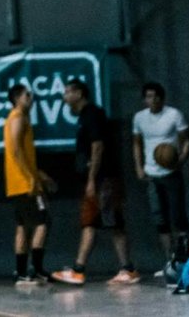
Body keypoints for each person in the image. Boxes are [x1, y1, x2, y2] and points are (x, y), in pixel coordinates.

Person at [53, 78, 138, 285]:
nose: (64, 97)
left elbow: (98, 146)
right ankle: (78, 270)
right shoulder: (85, 116)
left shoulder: (92, 114)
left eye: (67, 92)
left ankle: (128, 269)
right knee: (89, 222)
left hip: (104, 179)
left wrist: (92, 179)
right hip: (96, 179)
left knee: (114, 222)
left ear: (79, 94)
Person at [132, 81, 189, 279]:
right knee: (160, 219)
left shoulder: (174, 115)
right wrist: (139, 166)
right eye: (149, 96)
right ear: (144, 99)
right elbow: (136, 143)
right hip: (152, 173)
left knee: (178, 217)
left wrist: (180, 160)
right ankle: (170, 261)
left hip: (171, 173)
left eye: (156, 96)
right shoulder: (139, 118)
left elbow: (187, 140)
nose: (153, 100)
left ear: (162, 97)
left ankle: (185, 261)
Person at [3, 83, 54, 285]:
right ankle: (36, 269)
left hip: (19, 183)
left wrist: (39, 174)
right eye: (27, 95)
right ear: (17, 98)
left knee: (22, 226)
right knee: (43, 221)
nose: (31, 98)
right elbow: (16, 150)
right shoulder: (18, 117)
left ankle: (21, 272)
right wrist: (31, 178)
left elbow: (22, 153)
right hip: (25, 184)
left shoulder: (15, 117)